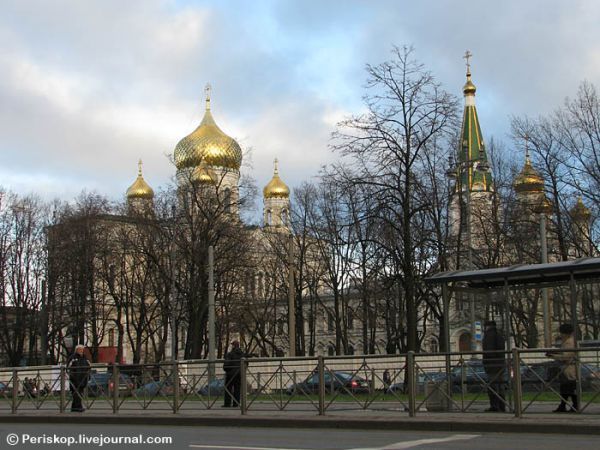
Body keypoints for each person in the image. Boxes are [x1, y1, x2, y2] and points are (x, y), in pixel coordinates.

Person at [547, 323, 578, 412]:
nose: (561, 335)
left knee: (568, 387)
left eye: (561, 333)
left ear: (565, 333)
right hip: (569, 368)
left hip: (569, 369)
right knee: (567, 388)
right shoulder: (570, 341)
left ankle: (571, 405)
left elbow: (566, 357)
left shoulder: (569, 342)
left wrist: (553, 356)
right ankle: (566, 405)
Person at [482, 320, 506, 412]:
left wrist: (486, 362)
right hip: (500, 364)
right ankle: (502, 405)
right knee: (500, 386)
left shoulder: (488, 336)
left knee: (492, 386)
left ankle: (495, 406)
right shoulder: (499, 335)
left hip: (492, 364)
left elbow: (488, 351)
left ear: (487, 326)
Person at [67, 344, 91, 412]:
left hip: (83, 378)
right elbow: (68, 368)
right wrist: (72, 376)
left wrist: (88, 376)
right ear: (76, 350)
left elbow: (89, 367)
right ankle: (78, 407)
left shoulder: (85, 358)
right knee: (76, 393)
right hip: (75, 379)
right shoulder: (73, 358)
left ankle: (74, 408)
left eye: (82, 350)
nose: (81, 351)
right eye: (80, 349)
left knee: (80, 393)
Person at [223, 340, 244, 407]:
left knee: (228, 388)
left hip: (230, 374)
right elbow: (246, 363)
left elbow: (226, 364)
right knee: (237, 389)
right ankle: (236, 403)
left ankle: (227, 403)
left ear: (233, 346)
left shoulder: (230, 354)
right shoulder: (242, 354)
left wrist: (226, 369)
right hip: (239, 374)